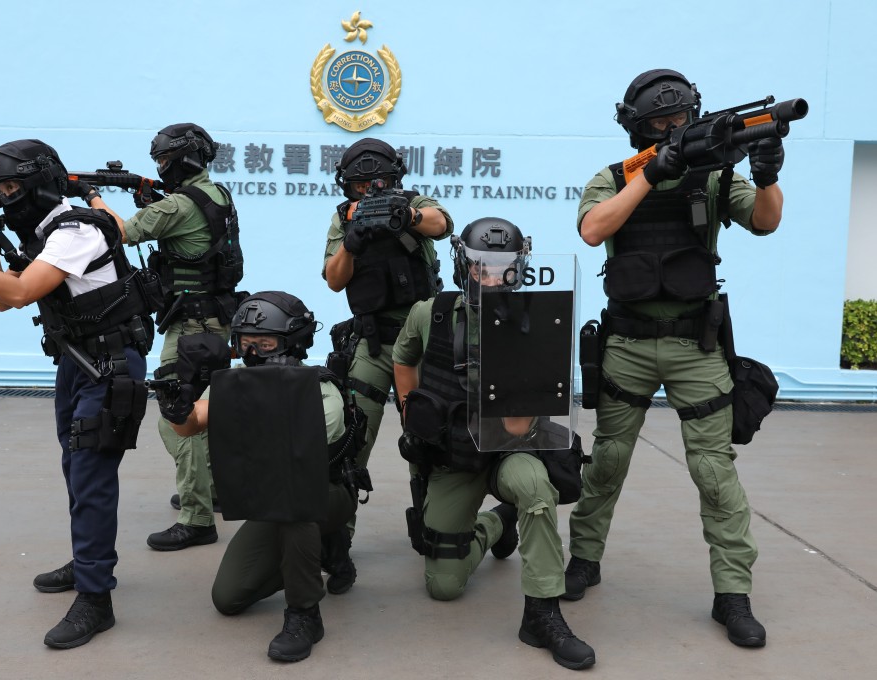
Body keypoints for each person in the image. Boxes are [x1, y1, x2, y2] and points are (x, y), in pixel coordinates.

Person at [566, 69, 785, 648]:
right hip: (628, 346)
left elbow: (765, 221)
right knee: (608, 461)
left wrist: (766, 177)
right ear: (637, 128)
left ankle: (732, 594)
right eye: (660, 123)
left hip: (697, 347)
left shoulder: (713, 178)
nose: (673, 128)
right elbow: (593, 230)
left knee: (714, 472)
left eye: (681, 119)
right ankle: (584, 559)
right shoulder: (613, 178)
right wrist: (649, 175)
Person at [0, 139, 155, 649]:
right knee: (75, 467)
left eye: (11, 187)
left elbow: (19, 293)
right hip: (77, 360)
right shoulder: (48, 235)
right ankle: (87, 559)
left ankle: (96, 598)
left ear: (41, 180)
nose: (5, 197)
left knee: (91, 474)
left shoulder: (75, 232)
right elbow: (8, 300)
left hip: (108, 364)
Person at [392, 218, 597, 671]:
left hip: (511, 450)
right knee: (443, 586)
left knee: (536, 491)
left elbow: (524, 421)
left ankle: (542, 613)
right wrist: (411, 409)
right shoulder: (433, 313)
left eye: (503, 268)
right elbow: (403, 358)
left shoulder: (538, 320)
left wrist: (511, 367)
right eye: (481, 267)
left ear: (519, 267)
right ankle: (494, 525)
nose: (492, 277)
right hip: (453, 458)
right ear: (463, 264)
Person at [159, 291, 364, 662]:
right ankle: (326, 549)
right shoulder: (235, 382)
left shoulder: (320, 390)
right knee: (228, 597)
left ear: (292, 343)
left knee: (294, 501)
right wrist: (178, 409)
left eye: (265, 343)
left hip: (324, 495)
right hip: (272, 502)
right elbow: (192, 426)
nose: (253, 353)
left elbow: (297, 448)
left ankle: (305, 614)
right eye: (245, 343)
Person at [102, 123, 243, 551]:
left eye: (164, 160)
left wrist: (93, 198)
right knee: (204, 413)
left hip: (190, 329)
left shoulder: (179, 205)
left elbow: (119, 233)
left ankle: (197, 518)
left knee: (175, 417)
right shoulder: (217, 194)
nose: (161, 167)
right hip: (214, 321)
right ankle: (212, 490)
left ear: (185, 158)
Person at [321, 138, 453, 593]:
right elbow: (335, 280)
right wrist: (352, 243)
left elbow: (442, 223)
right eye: (361, 183)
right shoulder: (344, 218)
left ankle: (435, 525)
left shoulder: (414, 203)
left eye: (379, 181)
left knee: (431, 438)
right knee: (349, 441)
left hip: (425, 345)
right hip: (375, 344)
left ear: (395, 179)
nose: (371, 189)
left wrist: (407, 217)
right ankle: (338, 545)